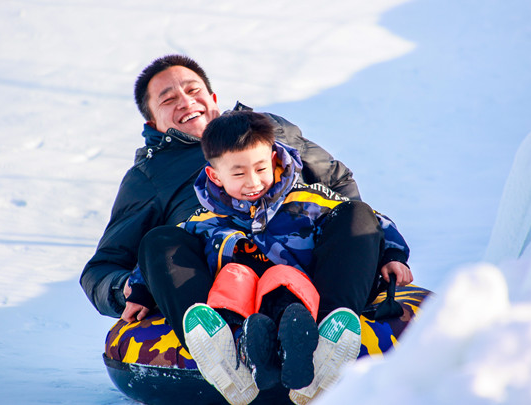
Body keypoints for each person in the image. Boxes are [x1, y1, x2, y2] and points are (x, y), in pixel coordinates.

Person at [142, 110, 411, 405]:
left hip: (309, 304)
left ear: (273, 159)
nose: (253, 182)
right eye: (238, 173)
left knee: (356, 213)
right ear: (214, 175)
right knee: (159, 240)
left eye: (260, 168)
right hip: (237, 310)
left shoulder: (310, 200)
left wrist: (392, 254)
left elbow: (375, 221)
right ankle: (222, 350)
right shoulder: (203, 220)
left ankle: (328, 337)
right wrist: (140, 290)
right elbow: (161, 263)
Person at [79, 54, 361, 322]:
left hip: (305, 266)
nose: (187, 102)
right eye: (169, 99)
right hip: (220, 286)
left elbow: (336, 181)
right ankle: (217, 340)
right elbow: (102, 267)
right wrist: (128, 287)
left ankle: (331, 326)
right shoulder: (150, 176)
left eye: (193, 90)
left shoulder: (265, 129)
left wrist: (368, 249)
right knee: (162, 241)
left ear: (213, 98)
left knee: (354, 213)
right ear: (152, 122)